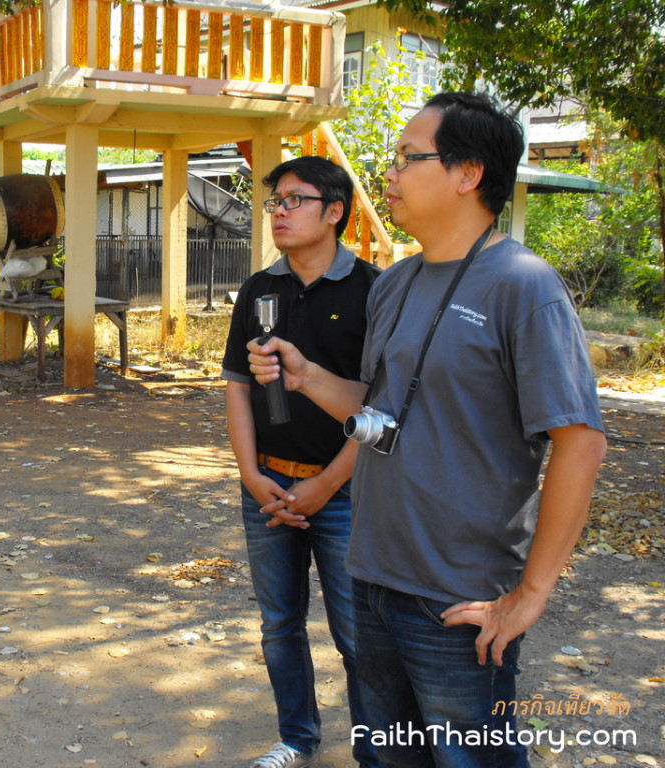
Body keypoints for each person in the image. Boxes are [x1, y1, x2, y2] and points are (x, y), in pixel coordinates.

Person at [248, 92, 607, 767]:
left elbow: (580, 442)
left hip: (460, 595)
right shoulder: (397, 283)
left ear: (467, 173)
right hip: (373, 574)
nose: (388, 174)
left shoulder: (524, 287)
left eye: (407, 158)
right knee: (386, 757)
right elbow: (386, 418)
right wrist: (308, 378)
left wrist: (530, 594)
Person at [222, 155, 381, 768]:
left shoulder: (374, 290)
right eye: (274, 203)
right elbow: (238, 385)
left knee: (358, 635)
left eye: (294, 200)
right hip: (266, 487)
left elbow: (381, 406)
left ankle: (376, 750)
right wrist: (250, 474)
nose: (280, 212)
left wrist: (328, 482)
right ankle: (296, 738)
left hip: (344, 491)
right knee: (279, 625)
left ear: (335, 211)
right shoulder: (260, 288)